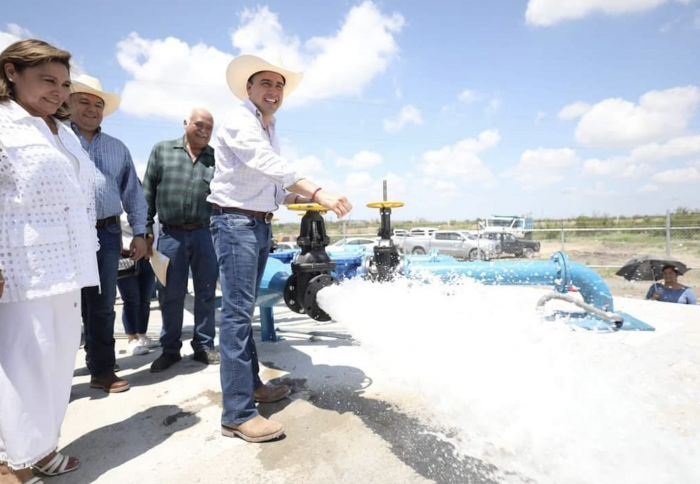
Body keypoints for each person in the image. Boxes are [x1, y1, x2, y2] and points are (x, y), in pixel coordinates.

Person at [208, 55, 352, 443]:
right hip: (235, 223)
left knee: (244, 309)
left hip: (255, 223)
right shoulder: (240, 121)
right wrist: (317, 190)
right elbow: (268, 163)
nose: (273, 92)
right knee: (237, 316)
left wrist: (303, 200)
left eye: (279, 86)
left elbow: (273, 185)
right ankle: (236, 414)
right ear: (249, 89)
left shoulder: (268, 126)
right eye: (265, 84)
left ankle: (251, 386)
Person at [0, 39, 99, 484]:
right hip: (23, 266)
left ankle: (41, 447)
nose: (58, 92)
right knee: (22, 364)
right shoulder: (3, 126)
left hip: (70, 264)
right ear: (10, 73)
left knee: (58, 361)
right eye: (47, 81)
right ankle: (10, 460)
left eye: (63, 84)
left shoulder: (61, 132)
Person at [69, 74, 148, 393]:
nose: (92, 109)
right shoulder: (57, 138)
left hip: (108, 233)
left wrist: (140, 232)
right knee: (64, 306)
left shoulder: (118, 148)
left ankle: (101, 369)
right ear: (67, 103)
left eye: (98, 104)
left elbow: (134, 194)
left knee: (102, 305)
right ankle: (55, 375)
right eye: (83, 101)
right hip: (67, 234)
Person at [142, 108, 220, 372]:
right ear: (185, 123)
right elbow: (147, 192)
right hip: (170, 235)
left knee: (206, 292)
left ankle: (203, 346)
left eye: (210, 127)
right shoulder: (162, 150)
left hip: (205, 235)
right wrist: (145, 229)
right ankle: (170, 349)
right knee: (170, 295)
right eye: (199, 124)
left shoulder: (217, 158)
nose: (204, 130)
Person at [116, 215, 159, 355]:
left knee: (145, 299)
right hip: (126, 255)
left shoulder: (147, 203)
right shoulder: (119, 204)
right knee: (131, 299)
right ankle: (132, 338)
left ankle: (142, 335)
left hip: (148, 256)